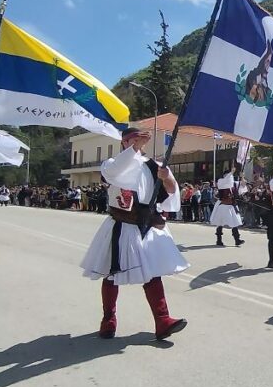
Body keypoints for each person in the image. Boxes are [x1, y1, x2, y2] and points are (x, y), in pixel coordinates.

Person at [79, 128, 188, 341]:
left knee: (152, 273)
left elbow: (172, 191)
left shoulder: (154, 165)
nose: (137, 143)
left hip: (146, 226)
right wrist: (134, 148)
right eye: (132, 140)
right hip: (121, 224)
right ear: (125, 141)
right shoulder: (112, 164)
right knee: (112, 273)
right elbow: (114, 173)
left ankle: (162, 320)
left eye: (139, 140)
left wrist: (166, 179)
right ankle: (108, 319)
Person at [211, 164, 245, 247]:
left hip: (232, 205)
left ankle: (237, 240)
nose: (229, 177)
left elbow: (243, 185)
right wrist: (231, 173)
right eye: (227, 175)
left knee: (234, 222)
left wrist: (242, 177)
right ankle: (219, 240)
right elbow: (226, 181)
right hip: (223, 206)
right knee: (220, 223)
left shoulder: (234, 184)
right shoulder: (221, 182)